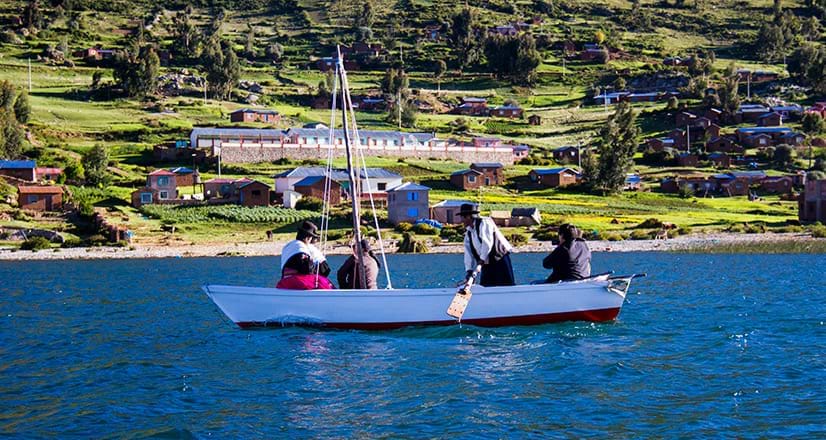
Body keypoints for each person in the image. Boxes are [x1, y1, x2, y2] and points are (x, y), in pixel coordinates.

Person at [457, 203, 515, 287]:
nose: (461, 220)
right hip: (486, 264)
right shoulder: (468, 233)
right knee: (486, 286)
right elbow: (468, 253)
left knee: (506, 285)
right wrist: (469, 270)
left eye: (462, 217)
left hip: (499, 259)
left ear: (468, 216)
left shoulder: (484, 222)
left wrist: (481, 261)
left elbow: (487, 243)